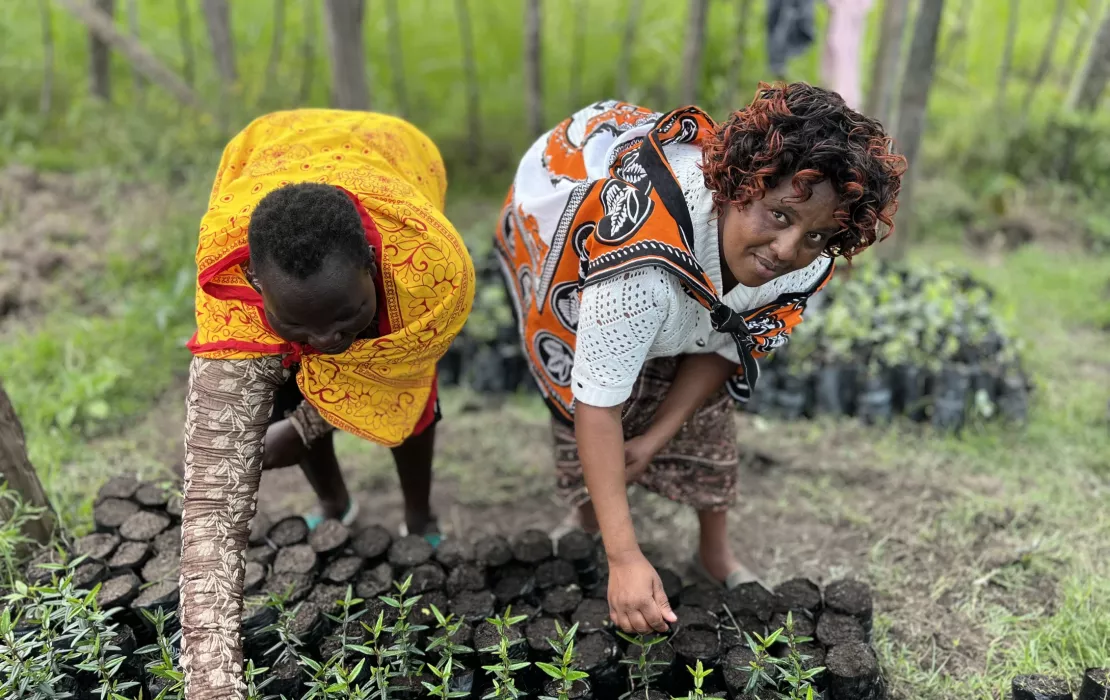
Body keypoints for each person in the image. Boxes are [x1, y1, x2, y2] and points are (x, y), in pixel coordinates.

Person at [496, 83, 904, 635]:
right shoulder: (638, 267)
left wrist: (655, 437)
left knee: (702, 405)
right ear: (739, 187)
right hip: (564, 208)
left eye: (816, 236)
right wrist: (626, 559)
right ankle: (593, 526)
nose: (787, 251)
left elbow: (726, 343)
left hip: (673, 281)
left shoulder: (804, 263)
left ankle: (713, 554)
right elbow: (596, 400)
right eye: (780, 216)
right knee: (596, 390)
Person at [179, 110, 474, 699]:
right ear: (257, 288)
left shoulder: (432, 269)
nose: (330, 341)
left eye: (347, 317)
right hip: (266, 149)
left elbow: (398, 375)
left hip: (393, 149)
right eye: (298, 325)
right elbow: (212, 493)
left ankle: (419, 516)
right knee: (286, 382)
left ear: (370, 261)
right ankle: (334, 501)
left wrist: (305, 427)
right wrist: (211, 680)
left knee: (412, 409)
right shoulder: (227, 286)